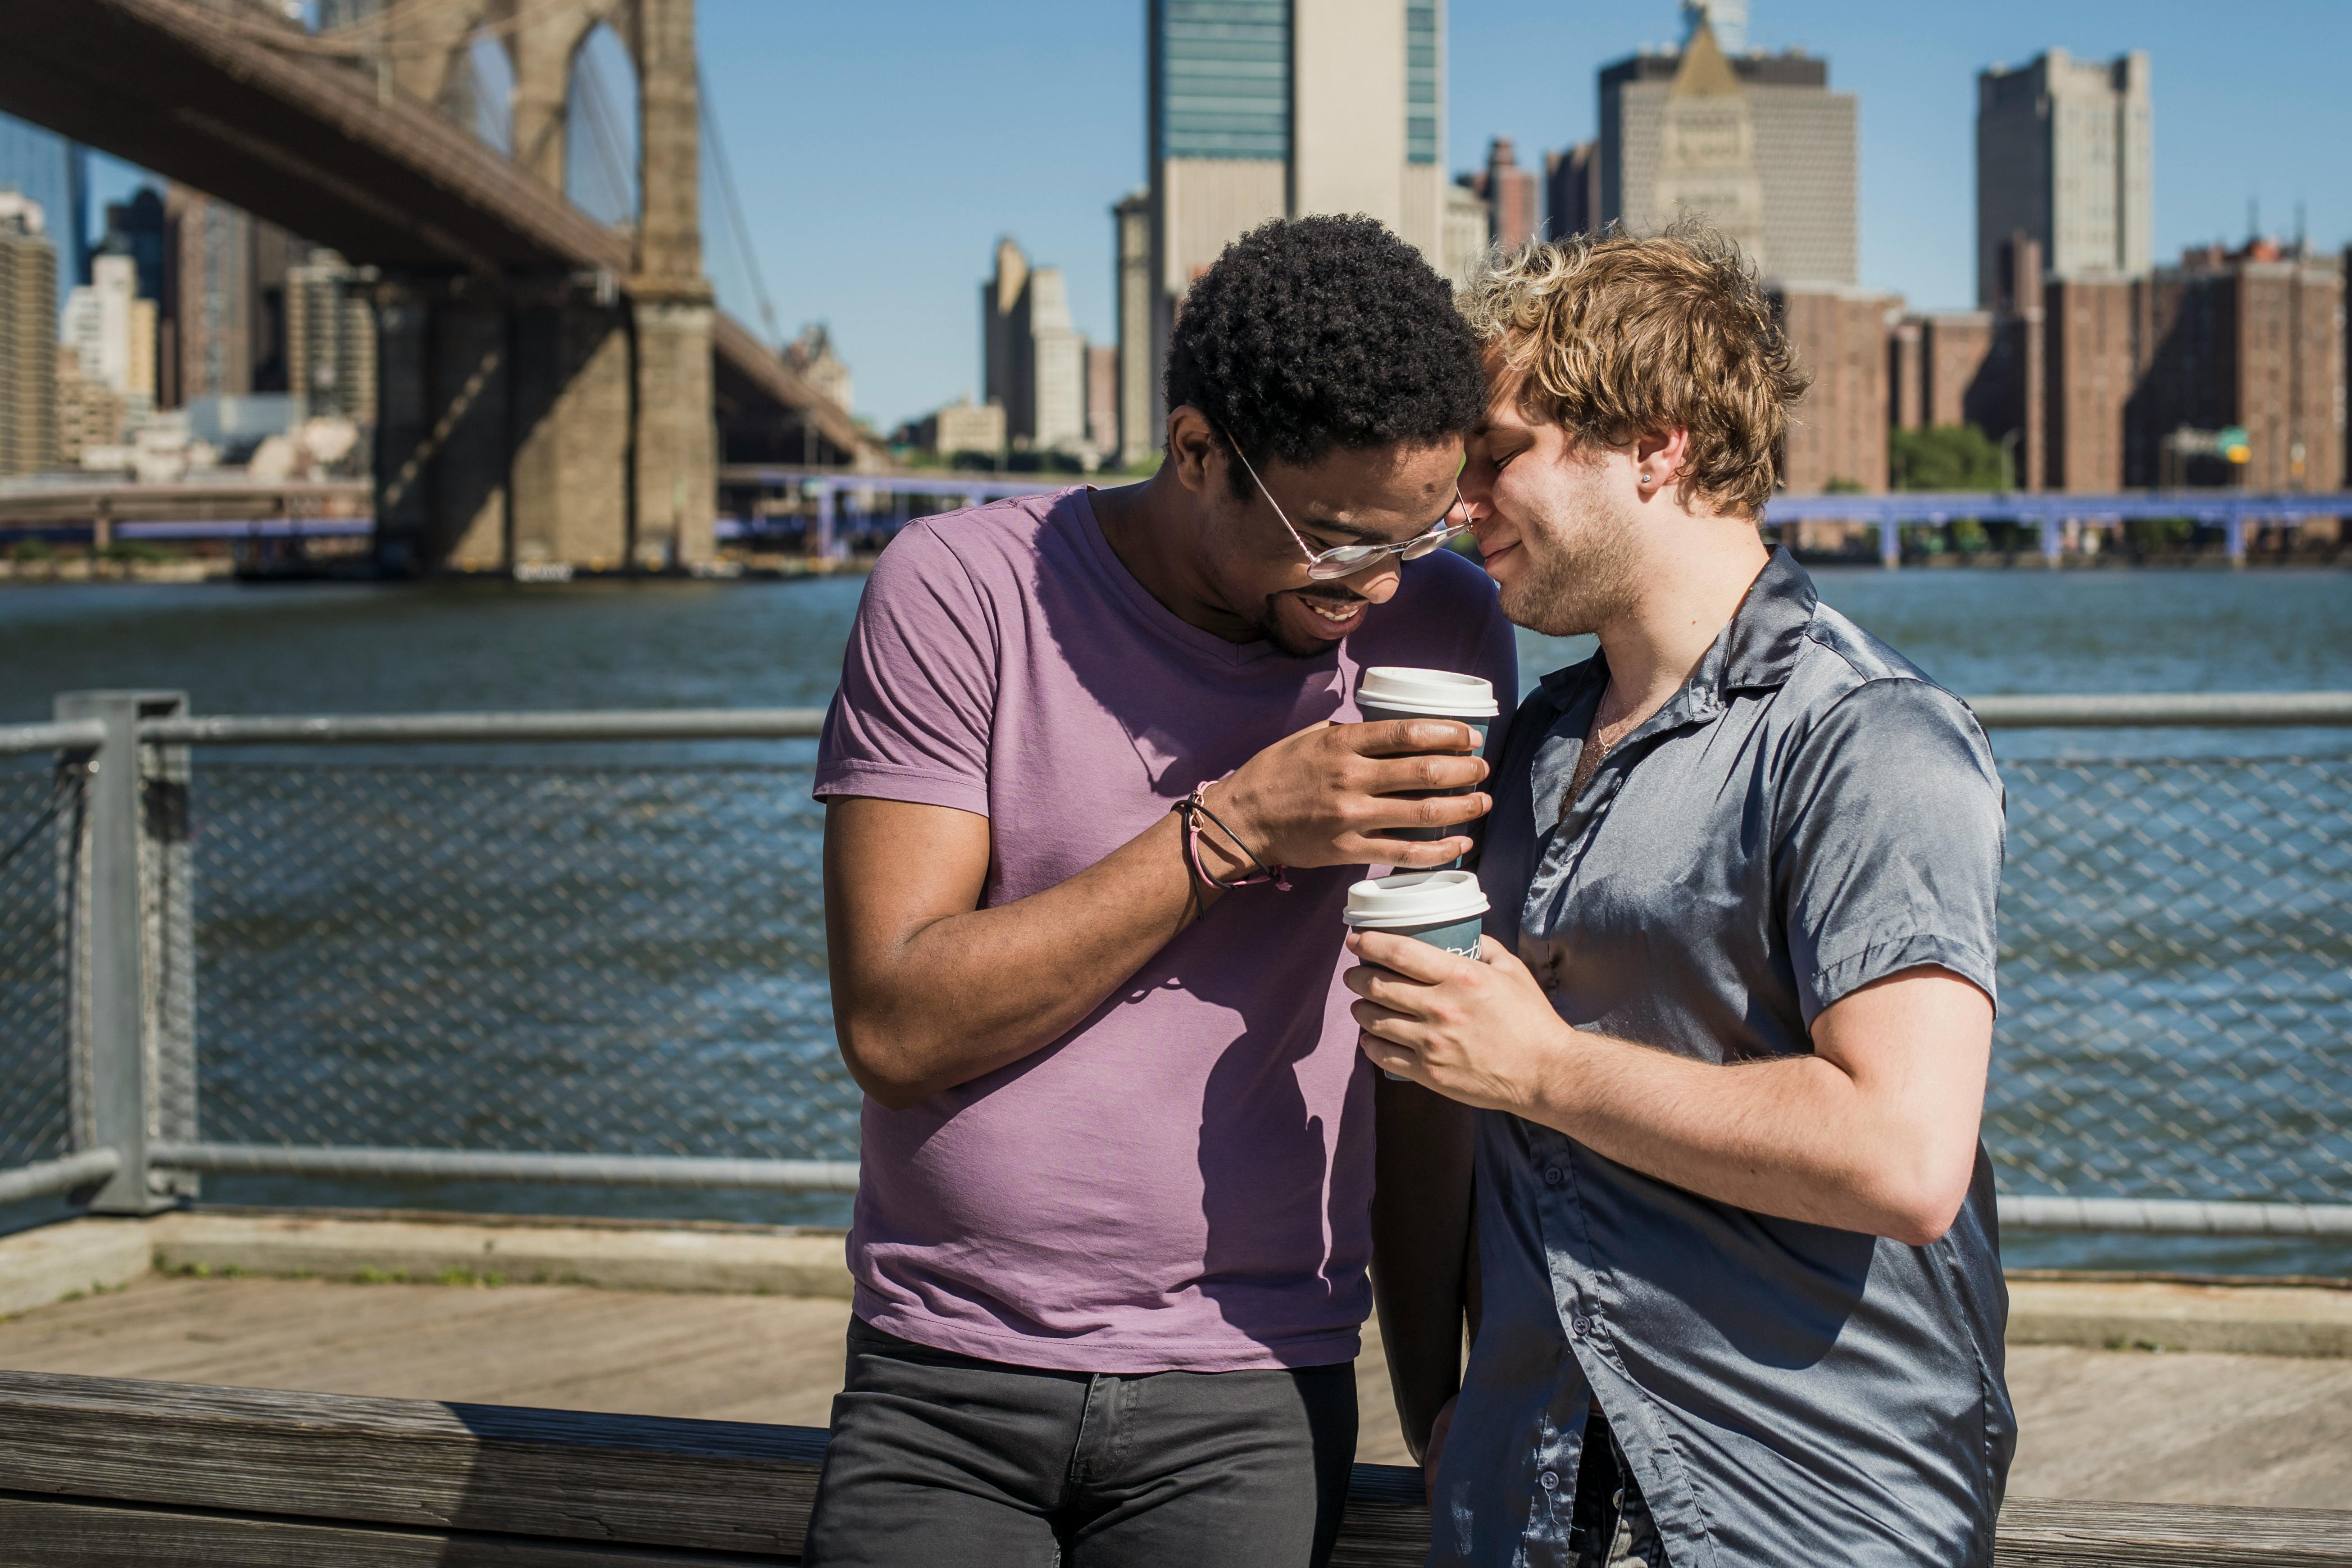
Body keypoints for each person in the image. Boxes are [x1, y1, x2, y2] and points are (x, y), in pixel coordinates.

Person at [801, 215, 1516, 1568]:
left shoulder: (1443, 627)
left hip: (1252, 1373)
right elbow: (894, 1029)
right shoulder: (963, 591)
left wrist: (1442, 1405)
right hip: (943, 1368)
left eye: (1417, 536)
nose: (1380, 584)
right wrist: (1235, 825)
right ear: (1198, 453)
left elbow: (1428, 1057)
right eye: (1344, 540)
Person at [1342, 226, 2014, 1568]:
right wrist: (1441, 1412)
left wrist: (1540, 1066)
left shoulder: (1869, 735)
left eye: (1500, 452)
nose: (1463, 503)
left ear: (1658, 448)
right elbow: (1434, 1110)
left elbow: (1905, 1154)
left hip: (1804, 1513)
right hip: (1522, 1508)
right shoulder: (1524, 750)